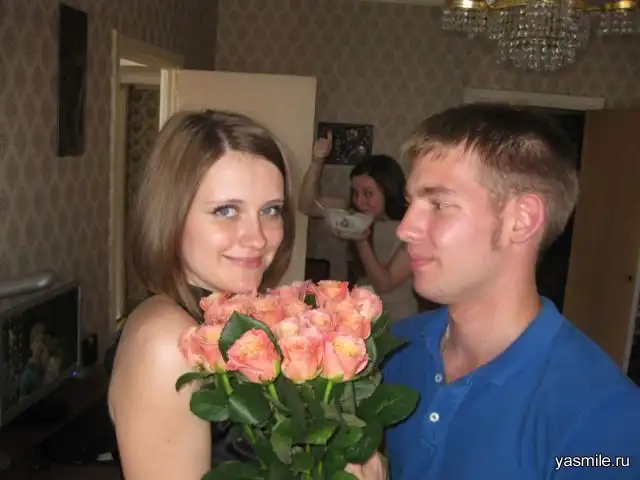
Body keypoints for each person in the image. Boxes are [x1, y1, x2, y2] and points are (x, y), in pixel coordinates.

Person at [381, 104, 640, 479]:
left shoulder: (603, 416)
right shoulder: (396, 347)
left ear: (521, 221)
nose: (405, 229)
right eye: (410, 203)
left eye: (439, 204)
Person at [107, 109, 296, 479]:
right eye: (226, 210)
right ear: (171, 216)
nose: (257, 238)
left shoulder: (224, 314)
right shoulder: (167, 344)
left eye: (271, 210)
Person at [298, 132, 417, 323]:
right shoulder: (353, 215)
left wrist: (361, 241)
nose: (360, 201)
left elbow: (385, 284)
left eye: (368, 193)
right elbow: (307, 205)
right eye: (355, 193)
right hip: (359, 313)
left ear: (389, 191)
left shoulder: (412, 228)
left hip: (397, 318)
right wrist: (317, 161)